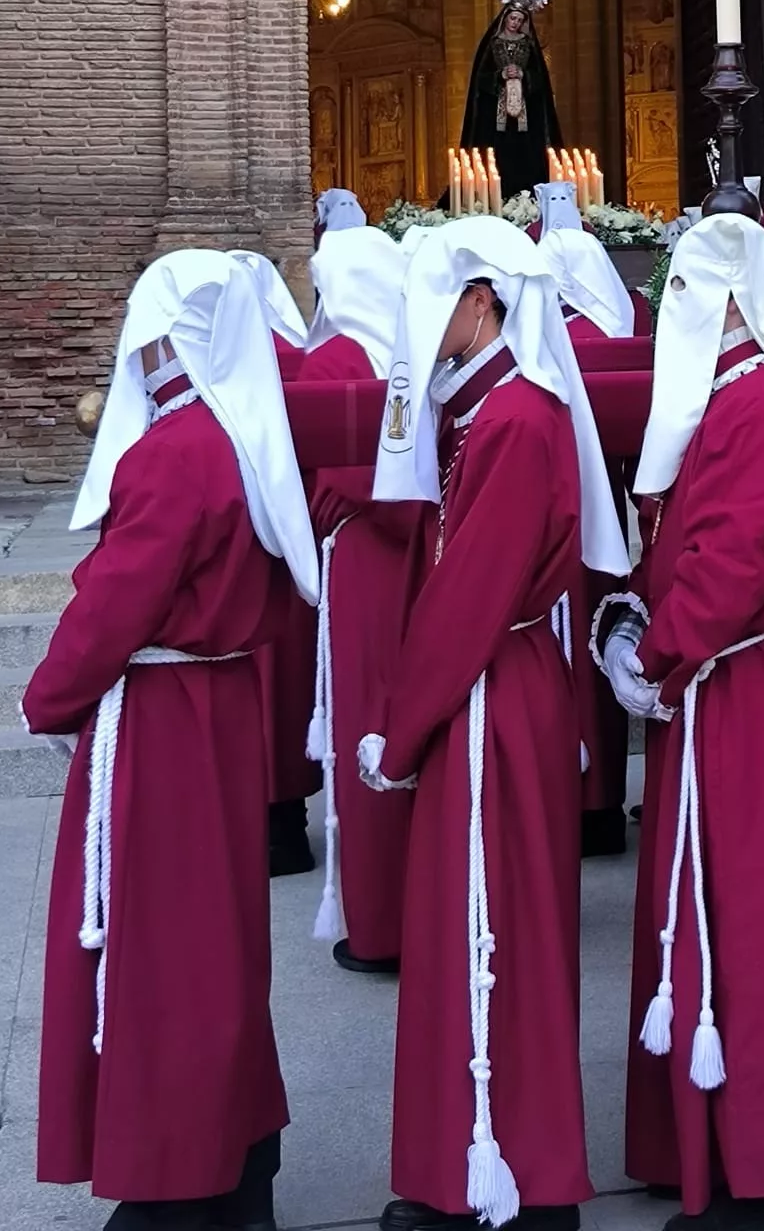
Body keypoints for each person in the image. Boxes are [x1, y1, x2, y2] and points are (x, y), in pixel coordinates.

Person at [22, 251, 320, 1231]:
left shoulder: (174, 451)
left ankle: (175, 1183)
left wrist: (47, 697)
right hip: (223, 706)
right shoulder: (241, 437)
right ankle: (240, 1167)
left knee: (164, 956)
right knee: (222, 948)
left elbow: (114, 605)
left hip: (165, 730)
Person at [364, 216, 630, 1231]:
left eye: (434, 308)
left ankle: (517, 1168)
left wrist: (405, 720)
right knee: (466, 927)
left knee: (498, 927)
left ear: (480, 302)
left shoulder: (516, 418)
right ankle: (471, 1156)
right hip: (485, 688)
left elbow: (473, 589)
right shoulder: (481, 411)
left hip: (490, 693)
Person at [599, 212, 764, 1231]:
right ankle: (704, 1142)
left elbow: (736, 563)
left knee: (748, 920)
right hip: (712, 689)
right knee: (714, 911)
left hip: (734, 690)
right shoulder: (734, 402)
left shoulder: (759, 410)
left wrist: (655, 652)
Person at [300, 221, 425, 972]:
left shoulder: (336, 358)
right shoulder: (412, 355)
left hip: (367, 568)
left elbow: (317, 472)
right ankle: (426, 904)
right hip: (416, 558)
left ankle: (379, 925)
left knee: (367, 725)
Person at [538, 223, 641, 853]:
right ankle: (604, 803)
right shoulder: (617, 334)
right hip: (610, 533)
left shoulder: (556, 341)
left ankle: (573, 802)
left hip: (560, 531)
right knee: (600, 658)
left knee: (566, 657)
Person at [228, 250, 324, 874]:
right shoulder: (301, 359)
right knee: (287, 689)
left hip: (236, 554)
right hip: (293, 547)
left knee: (252, 696)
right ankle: (288, 828)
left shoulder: (221, 359)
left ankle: (250, 829)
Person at [460, 0, 563, 204]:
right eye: (512, 18)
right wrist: (500, 76)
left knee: (524, 152)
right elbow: (480, 80)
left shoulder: (529, 45)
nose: (515, 23)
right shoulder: (492, 44)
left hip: (525, 113)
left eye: (519, 19)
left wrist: (524, 75)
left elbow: (541, 81)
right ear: (505, 17)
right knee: (497, 151)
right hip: (494, 113)